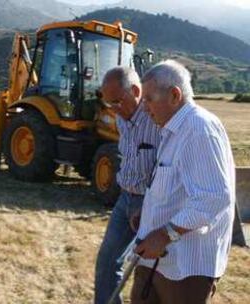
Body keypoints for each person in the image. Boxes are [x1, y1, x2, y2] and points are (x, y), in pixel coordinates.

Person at [131, 60, 235, 304]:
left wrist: (166, 234)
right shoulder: (174, 129)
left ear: (175, 95)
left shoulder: (198, 129)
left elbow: (213, 197)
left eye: (149, 99)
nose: (144, 108)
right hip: (158, 259)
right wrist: (149, 214)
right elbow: (174, 187)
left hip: (185, 267)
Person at [94, 67, 160, 304]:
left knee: (147, 270)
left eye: (117, 102)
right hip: (125, 198)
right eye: (109, 104)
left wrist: (150, 204)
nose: (114, 110)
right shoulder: (121, 120)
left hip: (150, 203)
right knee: (107, 262)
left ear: (135, 90)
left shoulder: (156, 119)